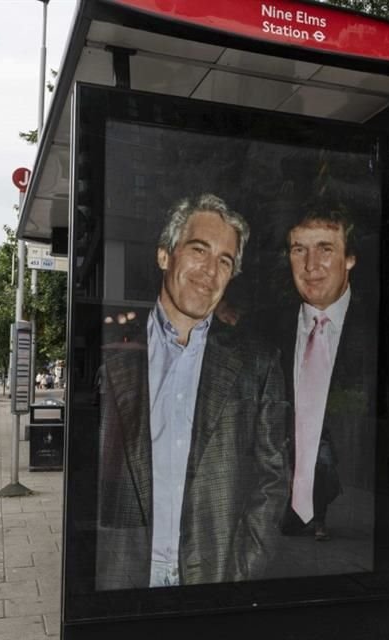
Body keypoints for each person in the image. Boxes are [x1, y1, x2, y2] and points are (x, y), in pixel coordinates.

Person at [96, 192, 289, 590]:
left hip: (214, 579)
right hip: (122, 577)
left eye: (225, 261)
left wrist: (242, 572)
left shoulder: (257, 363)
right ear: (165, 255)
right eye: (199, 250)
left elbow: (272, 480)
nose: (210, 271)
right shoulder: (111, 353)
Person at [276, 204, 377, 546]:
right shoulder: (265, 329)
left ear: (350, 258)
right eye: (299, 249)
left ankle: (318, 518)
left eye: (325, 249)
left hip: (347, 499)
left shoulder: (373, 330)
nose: (310, 266)